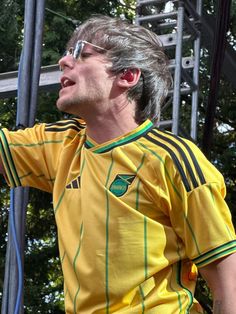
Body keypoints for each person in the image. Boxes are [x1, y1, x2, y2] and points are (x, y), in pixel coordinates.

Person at [0, 14, 236, 314]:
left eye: (82, 54)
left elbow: (228, 281)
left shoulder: (172, 159)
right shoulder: (61, 145)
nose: (63, 61)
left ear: (127, 76)